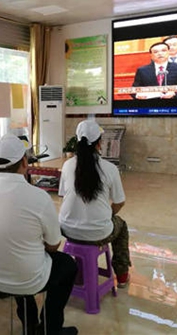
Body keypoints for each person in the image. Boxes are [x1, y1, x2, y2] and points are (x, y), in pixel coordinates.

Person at [0, 133, 78, 335]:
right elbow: (54, 244)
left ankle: (29, 324)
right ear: (24, 162)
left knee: (18, 257)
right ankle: (50, 328)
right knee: (67, 265)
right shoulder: (38, 196)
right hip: (25, 276)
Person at [58, 120, 131, 289]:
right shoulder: (110, 168)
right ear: (100, 143)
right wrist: (108, 214)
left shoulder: (67, 166)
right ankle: (122, 276)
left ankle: (80, 272)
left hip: (67, 230)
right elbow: (120, 202)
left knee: (83, 223)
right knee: (122, 227)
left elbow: (62, 195)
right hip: (98, 233)